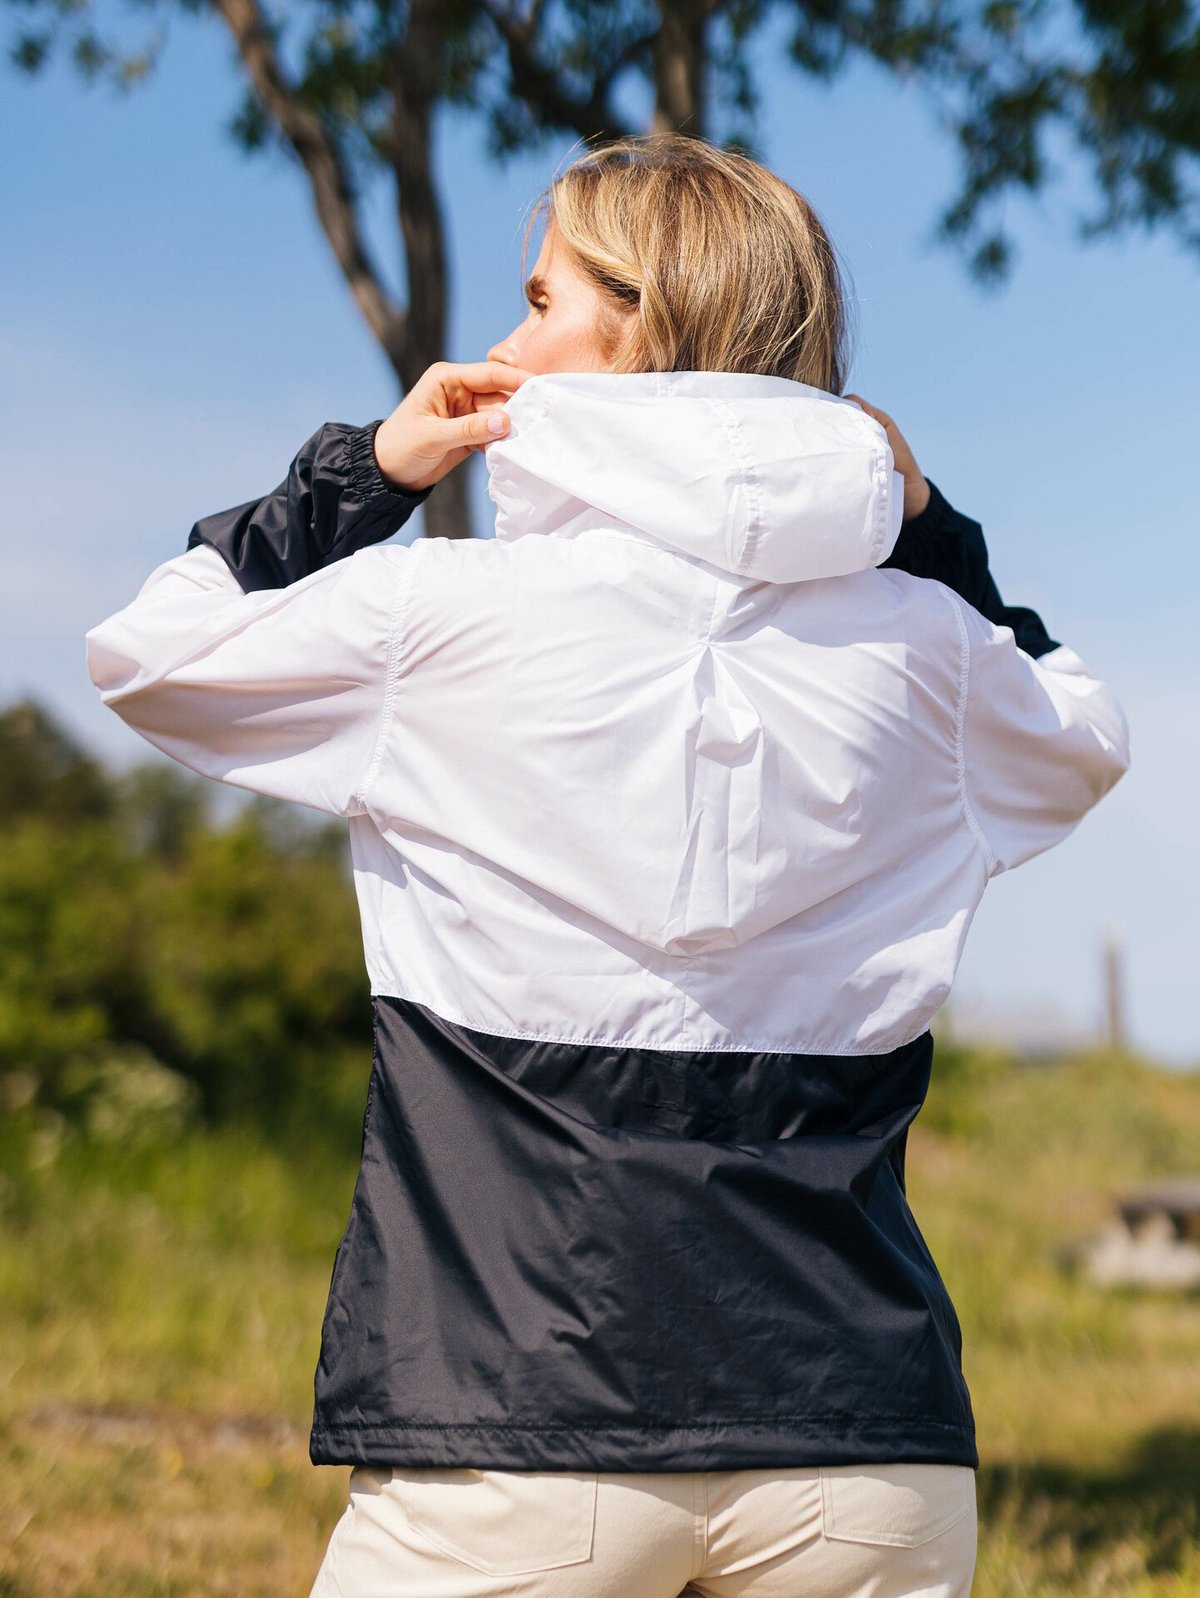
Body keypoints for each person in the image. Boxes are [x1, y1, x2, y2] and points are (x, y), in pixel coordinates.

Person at [86, 135, 1129, 1598]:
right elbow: (1084, 726)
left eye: (539, 301)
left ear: (636, 328)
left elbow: (147, 655)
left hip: (523, 1434)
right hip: (865, 1454)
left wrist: (362, 476)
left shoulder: (430, 615)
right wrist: (924, 521)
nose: (504, 341)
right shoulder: (936, 660)